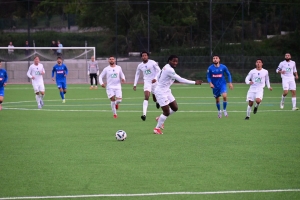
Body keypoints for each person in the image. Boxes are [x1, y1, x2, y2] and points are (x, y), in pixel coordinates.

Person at [153, 55, 202, 134]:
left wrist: (156, 79)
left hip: (167, 90)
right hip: (160, 92)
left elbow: (159, 73)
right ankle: (156, 128)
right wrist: (194, 82)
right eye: (173, 61)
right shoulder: (169, 69)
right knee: (166, 112)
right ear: (169, 61)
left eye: (176, 61)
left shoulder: (167, 67)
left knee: (175, 108)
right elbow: (180, 79)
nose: (175, 63)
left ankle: (160, 119)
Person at [133, 51, 161, 121]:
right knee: (146, 97)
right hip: (147, 82)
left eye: (145, 55)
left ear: (147, 56)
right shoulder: (140, 66)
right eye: (143, 55)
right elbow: (137, 75)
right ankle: (144, 114)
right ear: (141, 57)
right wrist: (134, 84)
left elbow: (159, 71)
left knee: (155, 99)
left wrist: (155, 78)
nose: (144, 56)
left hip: (155, 82)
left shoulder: (153, 62)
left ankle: (157, 102)